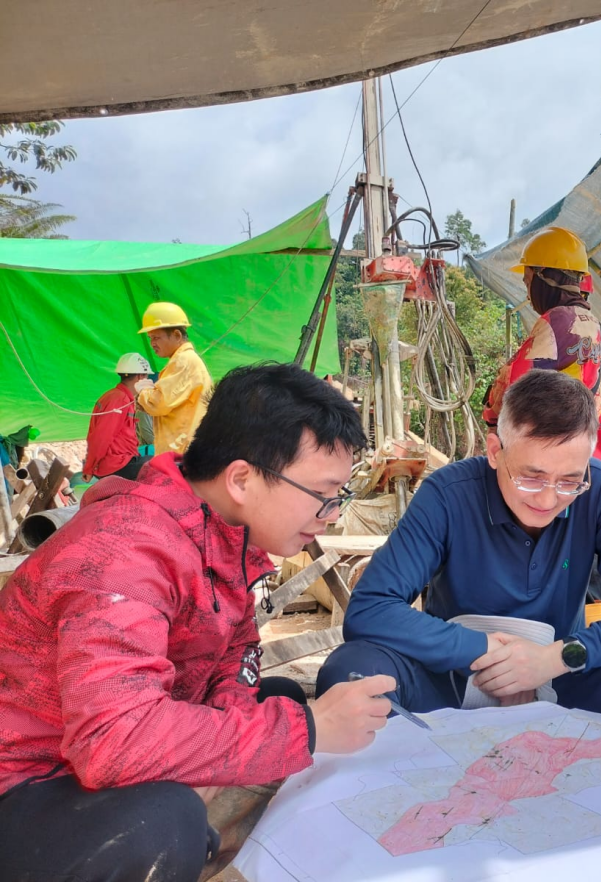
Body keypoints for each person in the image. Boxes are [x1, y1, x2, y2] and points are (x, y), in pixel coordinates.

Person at [0, 363, 397, 882]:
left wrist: (225, 754)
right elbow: (112, 738)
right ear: (242, 479)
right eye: (325, 495)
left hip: (92, 756)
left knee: (276, 696)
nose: (332, 515)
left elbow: (236, 657)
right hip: (29, 776)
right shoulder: (124, 552)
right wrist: (307, 731)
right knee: (165, 821)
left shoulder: (224, 535)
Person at [320, 370, 601, 764]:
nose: (548, 500)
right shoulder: (447, 495)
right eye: (532, 477)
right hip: (453, 681)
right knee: (353, 669)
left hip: (561, 681)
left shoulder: (598, 490)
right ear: (495, 451)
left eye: (569, 481)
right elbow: (371, 608)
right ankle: (380, 802)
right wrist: (482, 651)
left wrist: (556, 659)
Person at [483, 226, 601, 465]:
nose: (528, 296)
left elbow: (511, 388)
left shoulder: (558, 320)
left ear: (544, 278)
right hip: (596, 468)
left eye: (528, 282)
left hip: (558, 468)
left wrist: (490, 413)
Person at [136, 300, 213, 455]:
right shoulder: (184, 360)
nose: (152, 343)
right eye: (150, 338)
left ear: (177, 335)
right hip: (184, 448)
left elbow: (160, 403)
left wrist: (143, 392)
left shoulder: (182, 361)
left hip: (180, 451)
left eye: (156, 338)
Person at [81, 351, 153, 482]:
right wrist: (89, 468)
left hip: (120, 461)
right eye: (147, 377)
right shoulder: (119, 400)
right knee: (166, 466)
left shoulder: (118, 396)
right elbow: (101, 437)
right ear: (140, 377)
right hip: (116, 465)